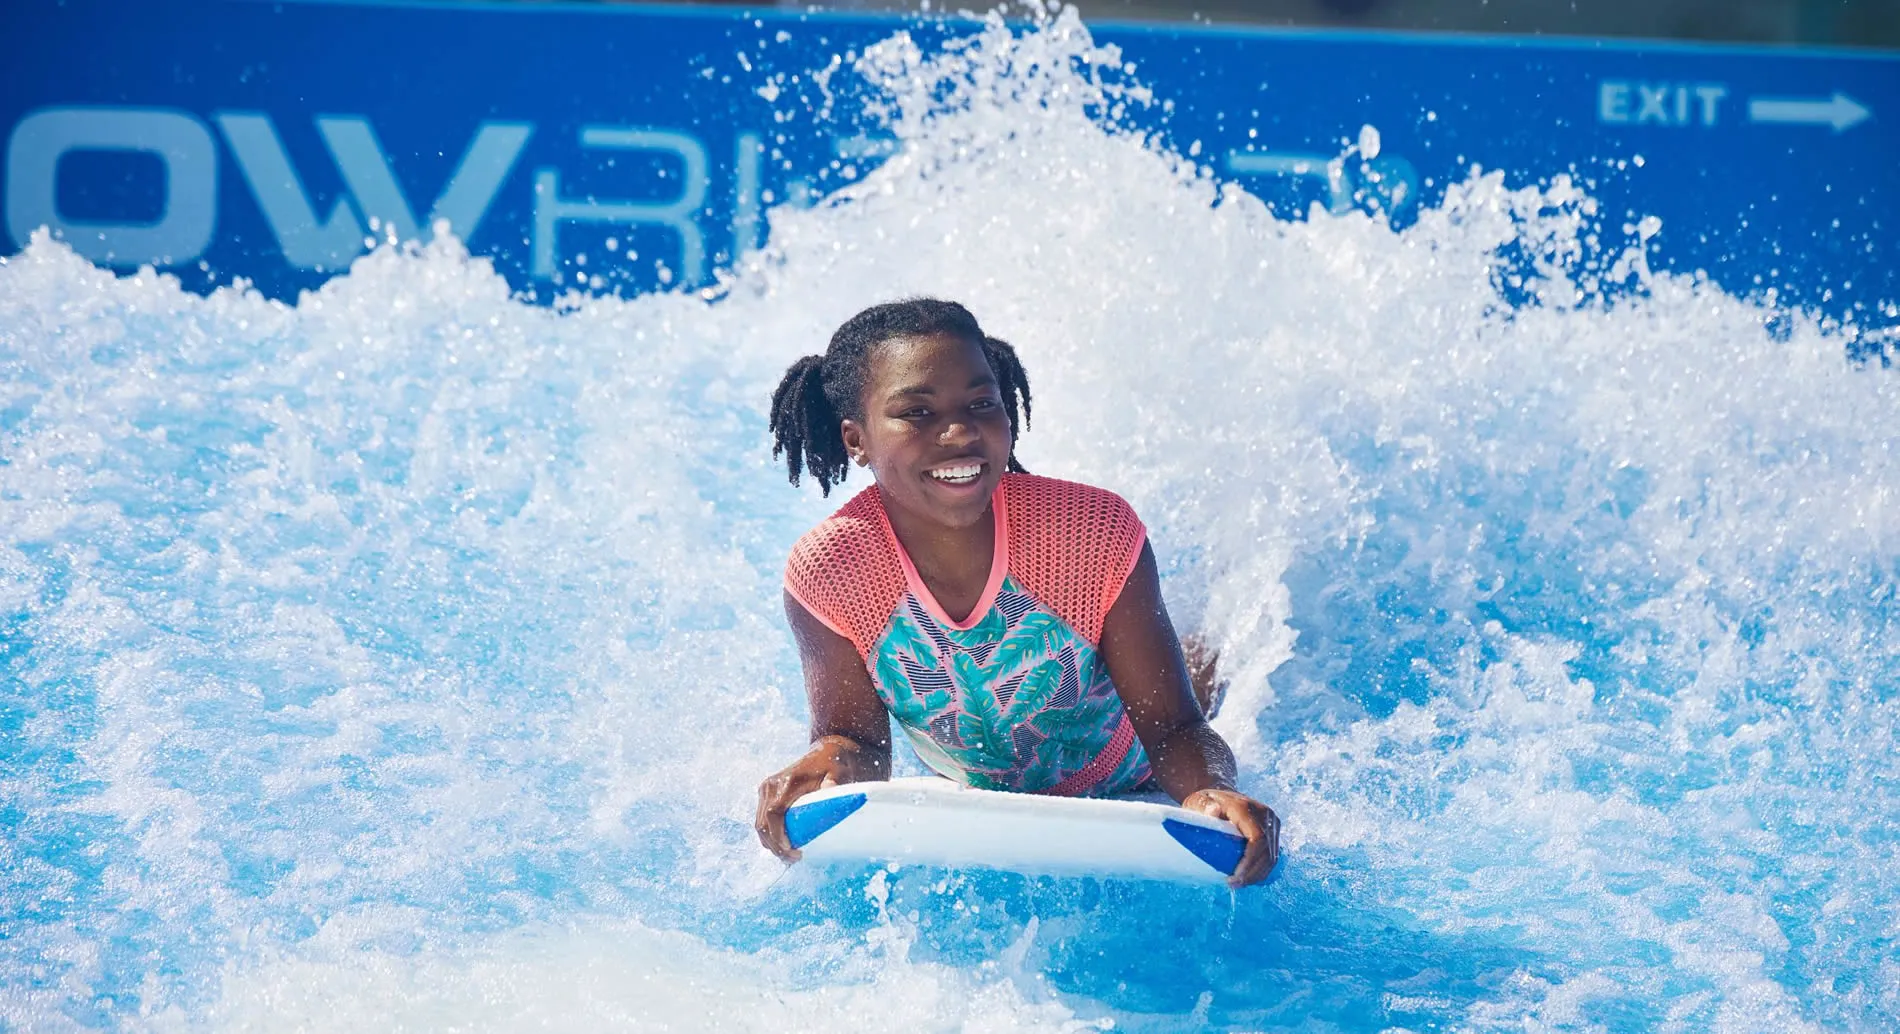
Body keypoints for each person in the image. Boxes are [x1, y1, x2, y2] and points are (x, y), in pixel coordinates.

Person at [752, 299, 1280, 888]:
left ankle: (1208, 653)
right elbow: (858, 741)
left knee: (1200, 679)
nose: (958, 433)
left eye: (982, 404)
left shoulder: (1091, 533)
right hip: (981, 783)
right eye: (917, 412)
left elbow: (1172, 728)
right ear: (856, 439)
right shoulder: (833, 569)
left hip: (1131, 773)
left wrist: (1213, 792)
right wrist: (828, 763)